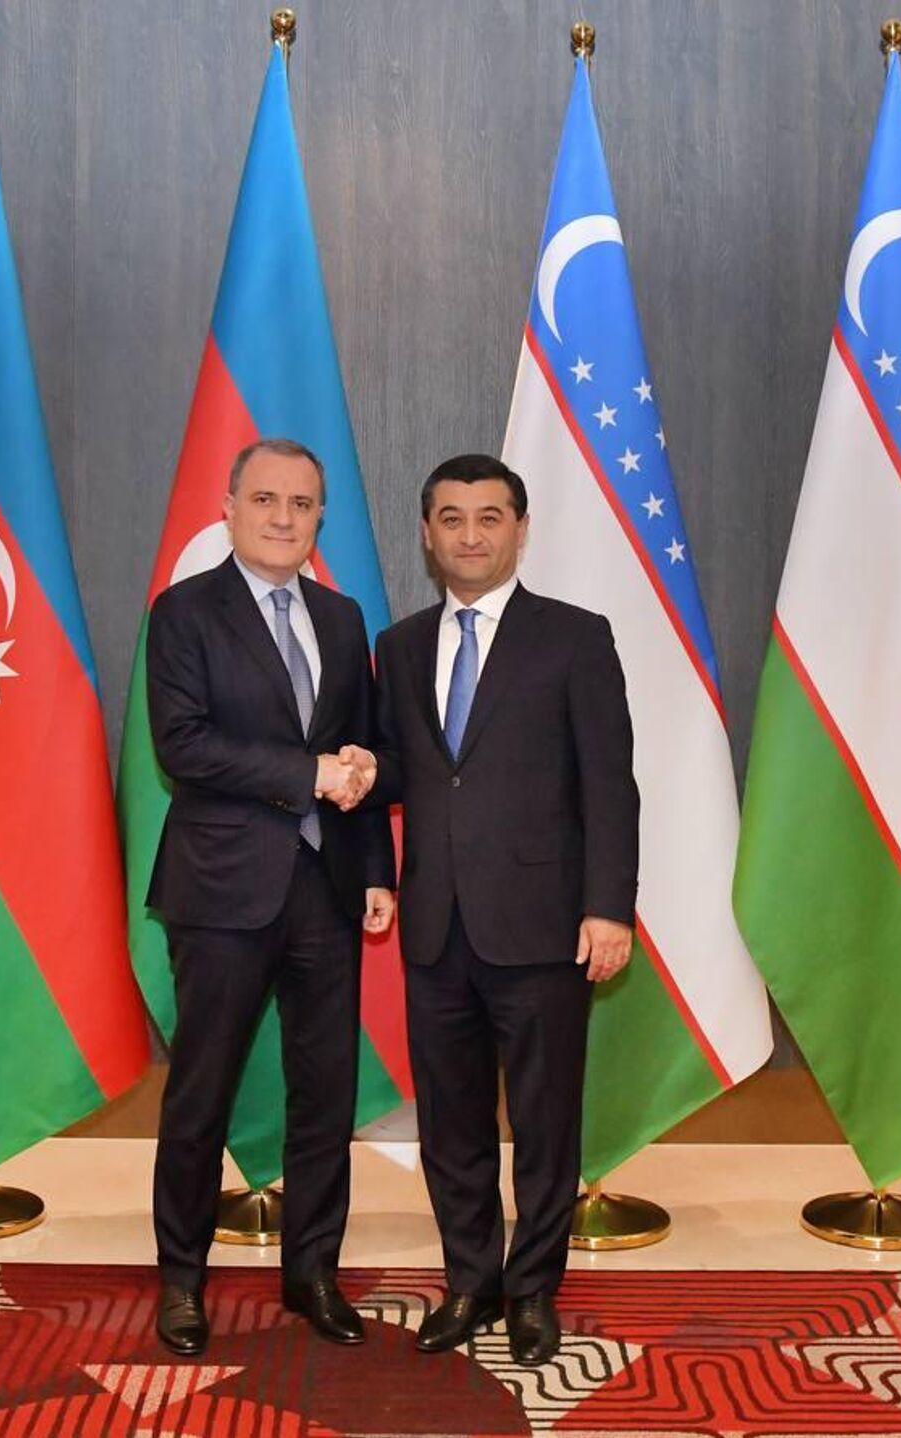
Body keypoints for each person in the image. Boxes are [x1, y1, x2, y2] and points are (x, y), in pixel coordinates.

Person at [363, 452, 638, 1366]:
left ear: (520, 529)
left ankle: (533, 1290)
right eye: (452, 518)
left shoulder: (575, 638)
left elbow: (609, 785)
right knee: (452, 1124)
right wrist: (357, 781)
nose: (470, 535)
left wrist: (609, 907)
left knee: (545, 1121)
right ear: (427, 535)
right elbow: (398, 773)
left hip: (544, 925)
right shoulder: (400, 646)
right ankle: (471, 1279)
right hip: (435, 925)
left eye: (489, 517)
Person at [144, 437, 395, 1356]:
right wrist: (307, 773)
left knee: (325, 1093)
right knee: (201, 1091)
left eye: (301, 503)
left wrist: (375, 869)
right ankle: (181, 1279)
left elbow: (361, 749)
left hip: (327, 890)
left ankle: (312, 1272)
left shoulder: (341, 617)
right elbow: (183, 747)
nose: (284, 518)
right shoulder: (184, 612)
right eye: (265, 500)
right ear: (230, 508)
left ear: (320, 517)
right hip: (222, 892)